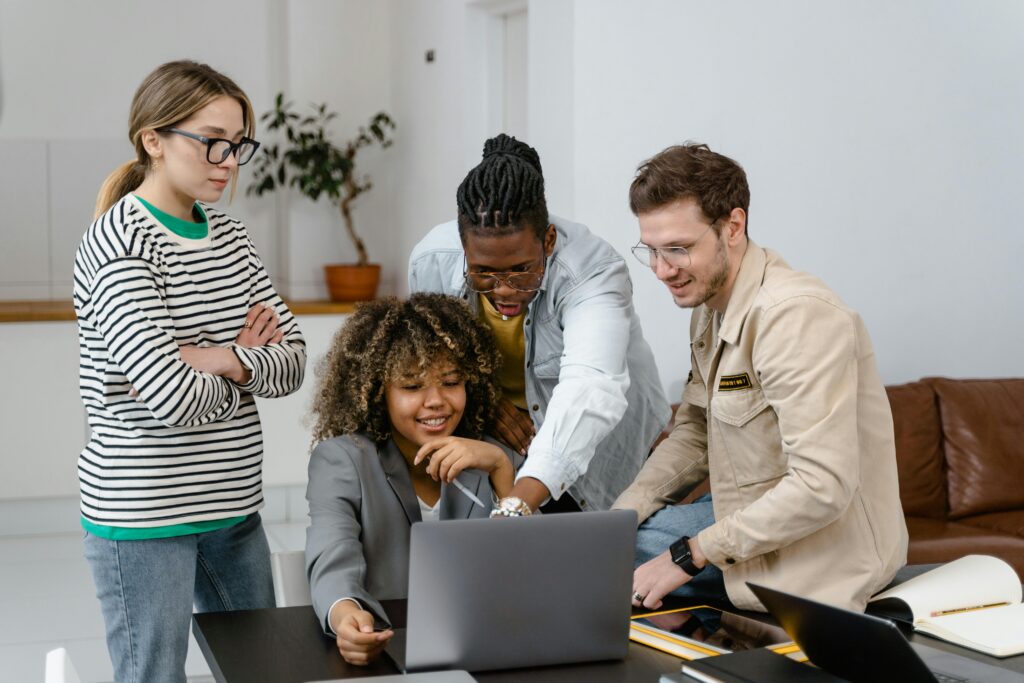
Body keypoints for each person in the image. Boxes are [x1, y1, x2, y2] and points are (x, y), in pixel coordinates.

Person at [74, 60, 306, 682]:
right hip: (144, 515)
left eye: (237, 145)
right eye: (211, 142)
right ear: (153, 139)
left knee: (264, 671)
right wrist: (240, 368)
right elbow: (170, 398)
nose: (227, 160)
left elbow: (293, 361)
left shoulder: (230, 235)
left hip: (233, 506)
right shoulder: (118, 243)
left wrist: (217, 357)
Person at [613, 143, 907, 613]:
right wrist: (620, 517)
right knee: (606, 547)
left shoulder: (795, 317)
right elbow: (694, 433)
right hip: (749, 511)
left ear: (733, 226)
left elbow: (821, 486)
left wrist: (689, 555)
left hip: (824, 550)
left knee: (611, 567)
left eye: (678, 249)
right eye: (650, 250)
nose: (661, 270)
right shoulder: (710, 306)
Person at [409, 134, 670, 516]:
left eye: (521, 271)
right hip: (502, 439)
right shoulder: (432, 261)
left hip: (604, 448)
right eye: (483, 272)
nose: (503, 291)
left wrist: (516, 505)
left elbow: (590, 387)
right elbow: (430, 362)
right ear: (463, 247)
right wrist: (485, 400)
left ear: (548, 241)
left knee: (596, 557)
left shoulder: (591, 272)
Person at [305, 293, 521, 666]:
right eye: (411, 386)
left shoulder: (492, 456)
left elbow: (529, 575)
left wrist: (503, 470)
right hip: (390, 651)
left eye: (450, 381)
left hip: (486, 651)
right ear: (378, 392)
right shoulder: (343, 460)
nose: (436, 401)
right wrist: (345, 618)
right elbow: (331, 558)